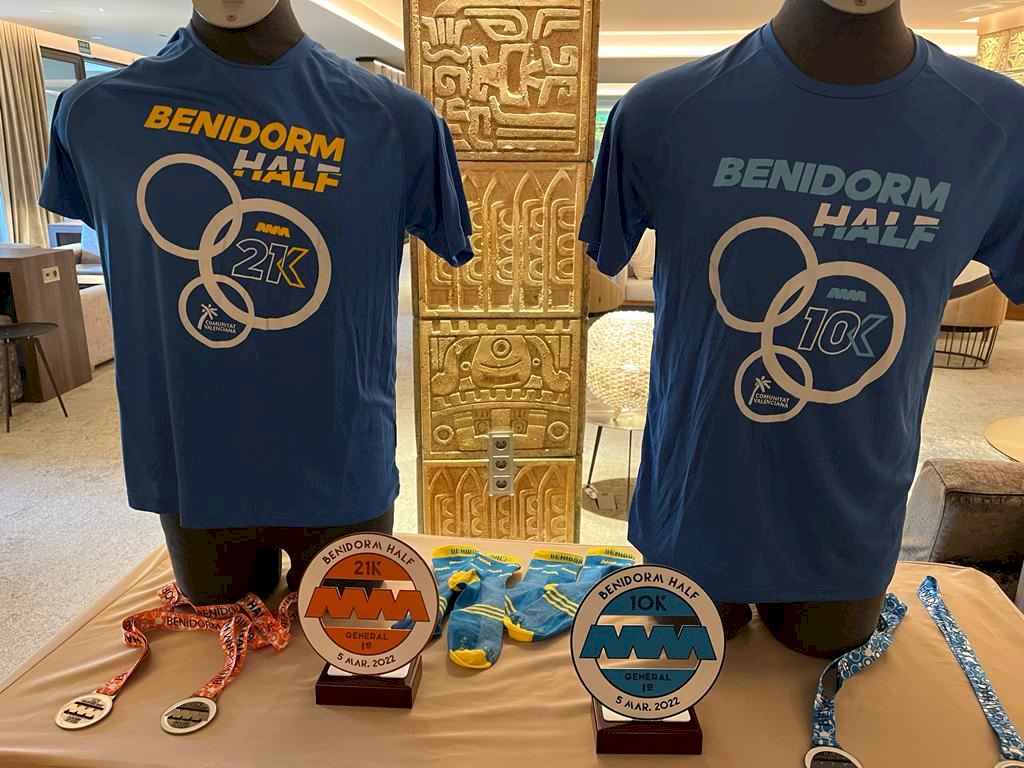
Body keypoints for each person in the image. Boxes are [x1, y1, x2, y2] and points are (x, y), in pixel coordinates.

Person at [580, 0, 1024, 657]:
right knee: (687, 692)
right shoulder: (662, 110)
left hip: (849, 518)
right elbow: (604, 258)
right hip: (693, 503)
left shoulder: (1001, 125)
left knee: (816, 671)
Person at [39, 0, 473, 603]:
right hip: (192, 463)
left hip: (341, 461)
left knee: (346, 651)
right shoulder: (93, 112)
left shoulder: (397, 120)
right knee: (216, 652)